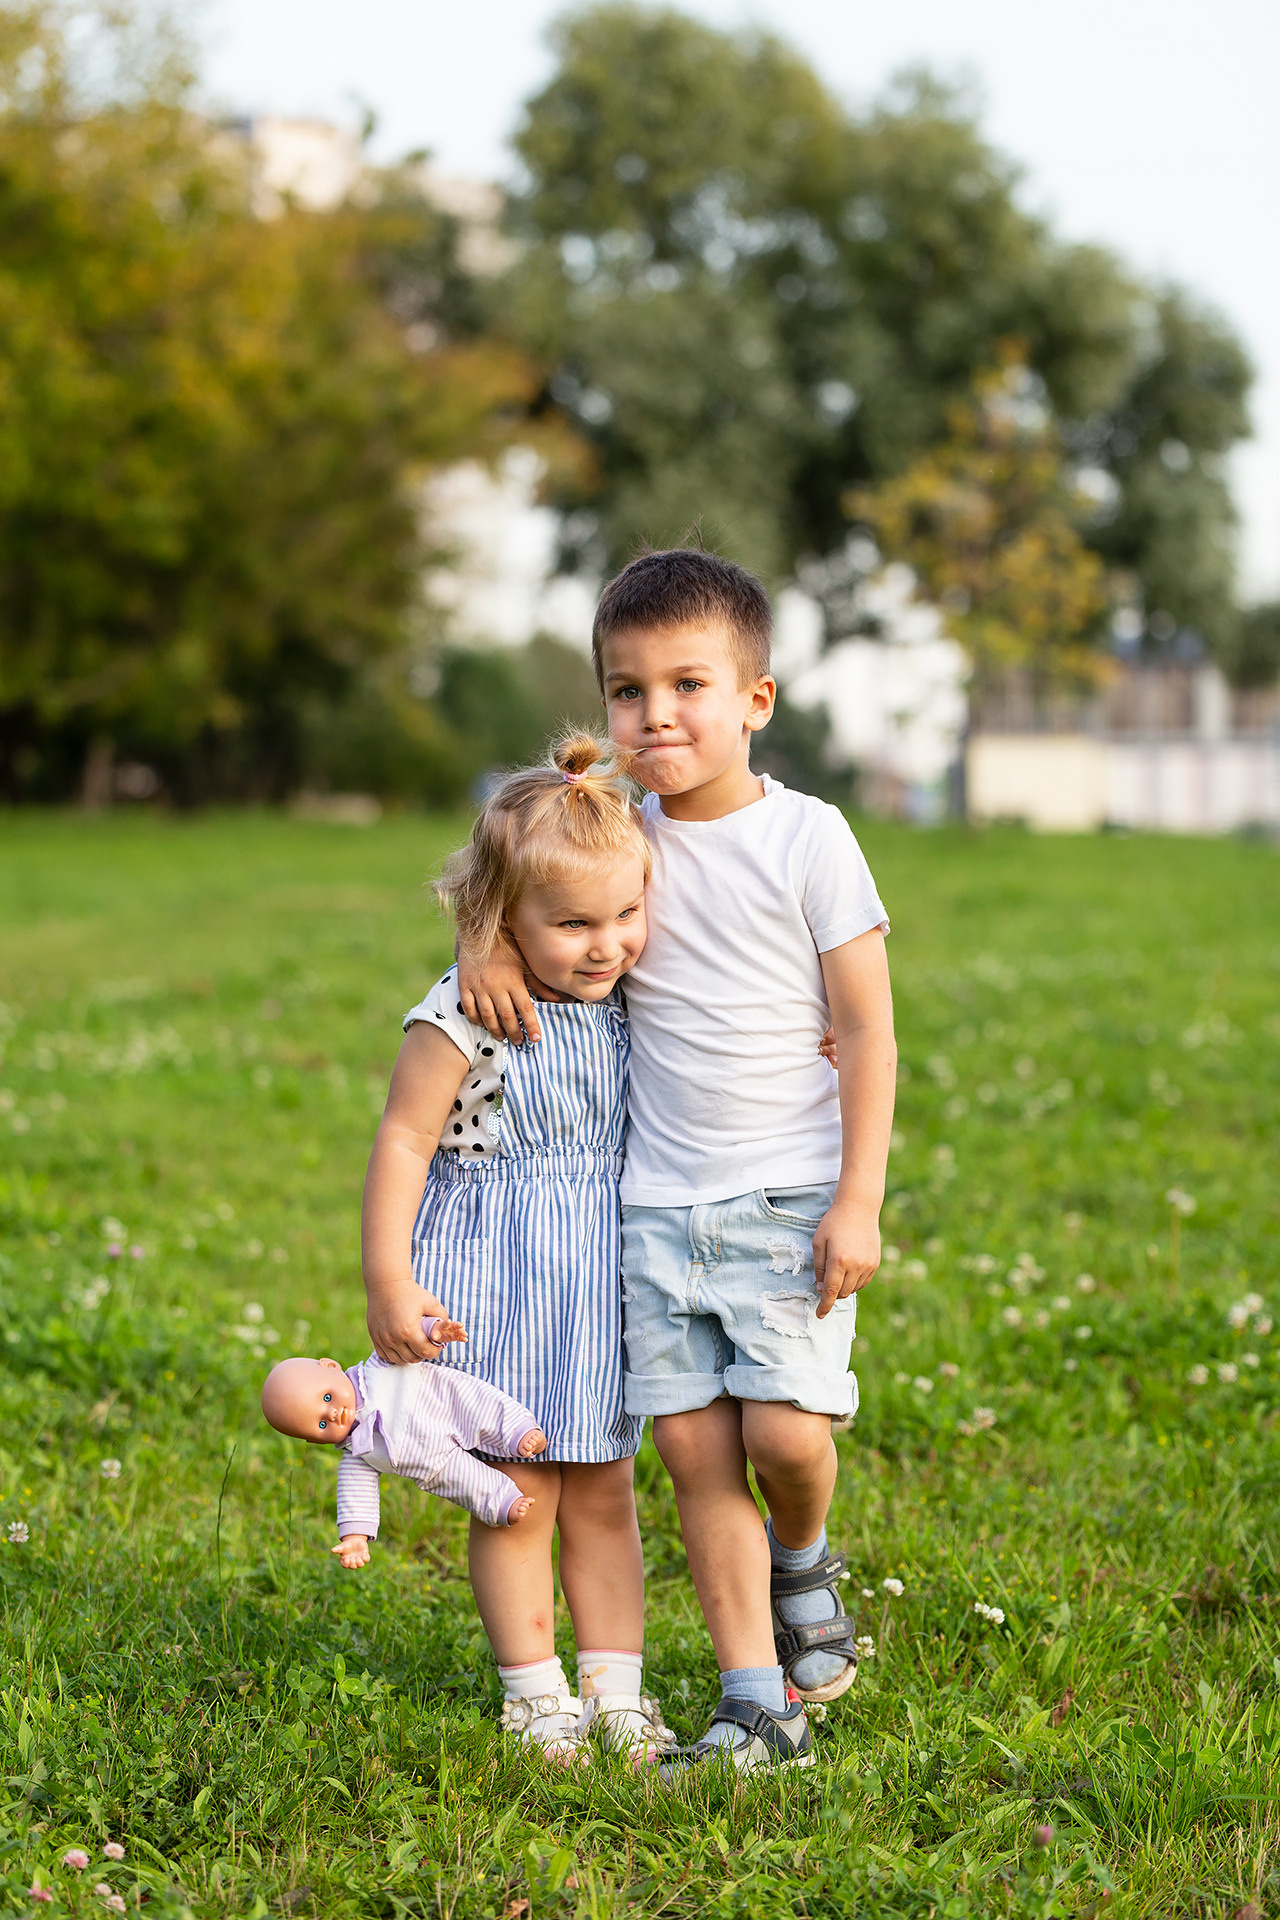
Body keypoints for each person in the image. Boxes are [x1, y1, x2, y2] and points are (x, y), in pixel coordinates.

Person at [460, 547, 896, 1774]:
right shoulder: (619, 838)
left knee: (786, 1442)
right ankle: (756, 1703)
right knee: (697, 1460)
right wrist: (481, 940)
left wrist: (857, 1198)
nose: (655, 715)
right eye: (627, 690)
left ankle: (801, 1557)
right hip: (652, 1206)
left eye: (687, 685)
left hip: (788, 1198)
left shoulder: (808, 837)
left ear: (755, 699)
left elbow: (867, 1028)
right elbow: (513, 864)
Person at [359, 734, 674, 1765]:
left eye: (624, 915)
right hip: (494, 1278)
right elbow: (404, 1141)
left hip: (599, 1281)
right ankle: (535, 1698)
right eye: (572, 923)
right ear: (502, 919)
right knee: (517, 1494)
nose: (605, 945)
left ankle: (616, 1697)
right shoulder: (468, 1011)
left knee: (606, 1491)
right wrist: (389, 1279)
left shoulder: (632, 995)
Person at [260, 1318, 549, 1548]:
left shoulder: (376, 1367)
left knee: (482, 1407)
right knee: (467, 1484)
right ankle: (504, 1503)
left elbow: (402, 1336)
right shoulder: (358, 1453)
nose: (333, 1414)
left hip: (444, 1402)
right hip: (435, 1463)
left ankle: (520, 1431)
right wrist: (355, 1538)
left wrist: (434, 1331)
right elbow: (355, 1495)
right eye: (322, 1424)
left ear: (332, 1367)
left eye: (327, 1398)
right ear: (313, 1440)